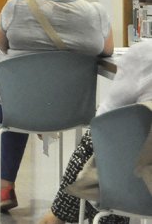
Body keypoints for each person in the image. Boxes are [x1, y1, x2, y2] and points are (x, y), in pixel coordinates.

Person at [0, 0, 114, 212]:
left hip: (14, 107)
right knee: (23, 98)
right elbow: (107, 50)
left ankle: (5, 184)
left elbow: (3, 46)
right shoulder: (95, 14)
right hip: (70, 109)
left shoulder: (15, 8)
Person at [37, 41, 152, 224]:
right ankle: (58, 215)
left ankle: (59, 214)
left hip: (137, 185)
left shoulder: (144, 54)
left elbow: (103, 120)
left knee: (103, 135)